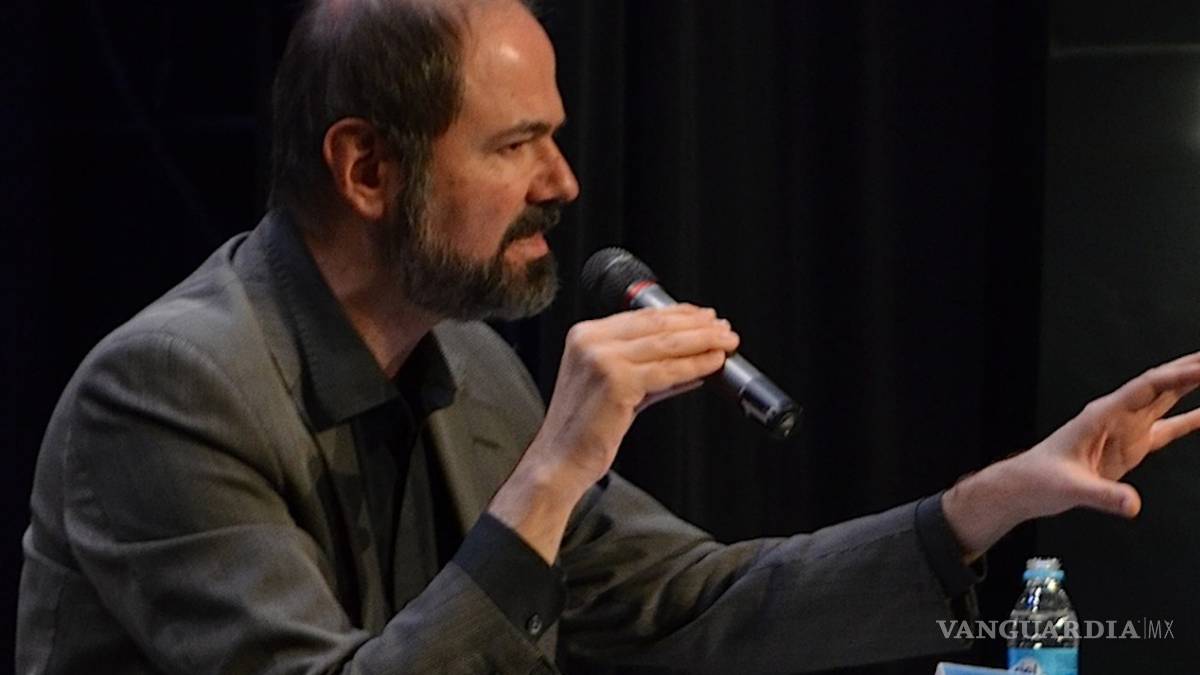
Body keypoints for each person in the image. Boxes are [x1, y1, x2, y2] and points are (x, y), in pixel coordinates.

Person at [16, 0, 1200, 673]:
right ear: (368, 168)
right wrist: (554, 471)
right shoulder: (170, 390)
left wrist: (989, 502)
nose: (564, 182)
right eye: (515, 144)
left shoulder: (463, 359)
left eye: (557, 135)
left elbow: (693, 601)